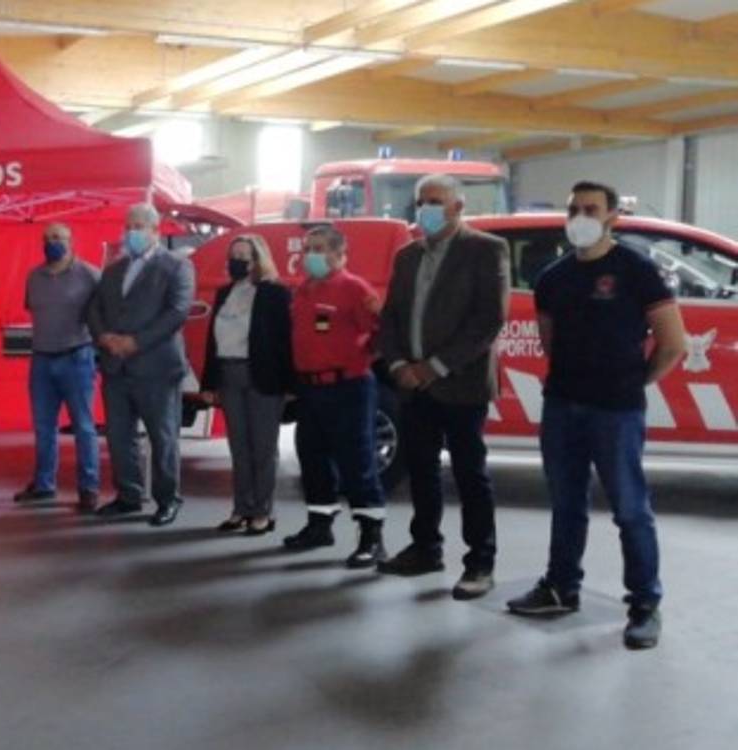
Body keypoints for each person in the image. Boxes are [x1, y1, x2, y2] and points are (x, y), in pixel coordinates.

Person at [507, 181, 686, 650]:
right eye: (573, 208)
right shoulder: (552, 278)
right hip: (563, 405)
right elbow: (550, 342)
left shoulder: (637, 271)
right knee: (566, 505)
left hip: (617, 411)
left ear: (612, 217)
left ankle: (644, 605)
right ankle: (561, 587)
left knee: (630, 510)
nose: (580, 216)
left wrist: (633, 381)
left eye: (591, 208)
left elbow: (674, 344)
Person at [376, 175, 510, 600]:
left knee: (471, 474)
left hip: (461, 384)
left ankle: (480, 562)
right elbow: (391, 317)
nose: (427, 209)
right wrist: (398, 364)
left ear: (458, 206)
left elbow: (488, 321)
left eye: (436, 201)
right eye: (421, 202)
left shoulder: (486, 249)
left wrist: (433, 367)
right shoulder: (407, 256)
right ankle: (426, 547)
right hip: (412, 386)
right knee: (421, 470)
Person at [282, 224, 388, 568]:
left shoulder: (354, 289)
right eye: (308, 248)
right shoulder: (304, 290)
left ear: (340, 254)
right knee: (312, 458)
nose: (310, 255)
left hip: (349, 388)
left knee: (356, 461)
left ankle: (371, 537)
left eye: (319, 248)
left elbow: (381, 332)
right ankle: (319, 525)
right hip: (310, 388)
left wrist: (358, 360)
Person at [88, 203, 196, 527]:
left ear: (155, 231)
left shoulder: (177, 267)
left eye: (139, 226)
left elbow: (177, 313)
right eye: (128, 225)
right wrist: (104, 336)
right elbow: (94, 309)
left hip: (156, 368)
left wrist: (136, 342)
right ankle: (128, 496)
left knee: (163, 437)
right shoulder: (113, 270)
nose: (131, 232)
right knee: (120, 437)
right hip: (115, 367)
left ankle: (168, 499)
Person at [199, 234, 292, 537]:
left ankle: (263, 511)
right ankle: (241, 508)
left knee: (263, 448)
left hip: (262, 376)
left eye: (244, 255)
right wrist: (209, 381)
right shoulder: (224, 292)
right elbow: (212, 341)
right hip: (229, 374)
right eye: (233, 255)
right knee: (238, 448)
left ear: (258, 259)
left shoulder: (275, 293)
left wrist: (290, 383)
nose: (237, 261)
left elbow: (285, 342)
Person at [13, 223, 102, 513]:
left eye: (59, 238)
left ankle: (89, 489)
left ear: (71, 241)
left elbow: (104, 313)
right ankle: (43, 485)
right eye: (48, 238)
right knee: (43, 427)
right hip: (41, 359)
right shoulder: (34, 277)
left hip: (77, 357)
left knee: (84, 428)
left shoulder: (89, 274)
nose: (53, 243)